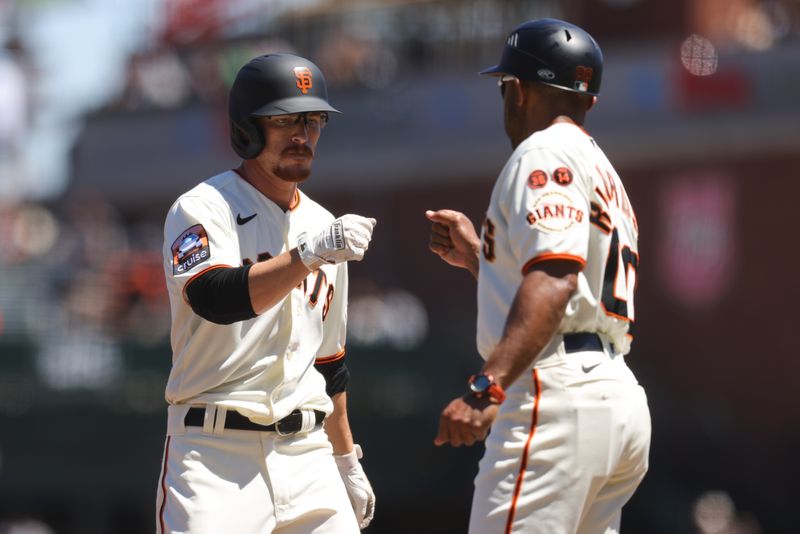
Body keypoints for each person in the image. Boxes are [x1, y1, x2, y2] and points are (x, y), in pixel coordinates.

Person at [426, 19, 651, 533]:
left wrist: (486, 386)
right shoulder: (603, 169)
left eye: (505, 87)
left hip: (555, 396)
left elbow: (555, 279)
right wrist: (481, 263)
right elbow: (568, 282)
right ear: (588, 99)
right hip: (615, 395)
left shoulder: (543, 152)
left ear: (519, 90)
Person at [155, 53, 376, 534]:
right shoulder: (201, 207)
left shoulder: (324, 226)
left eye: (313, 120)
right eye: (283, 120)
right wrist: (309, 255)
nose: (302, 135)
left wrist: (345, 460)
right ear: (247, 128)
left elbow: (329, 364)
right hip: (215, 454)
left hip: (308, 452)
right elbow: (215, 298)